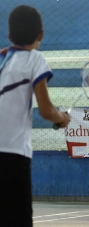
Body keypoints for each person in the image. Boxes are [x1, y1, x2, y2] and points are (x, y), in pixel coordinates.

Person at [0, 5, 70, 227]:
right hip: (13, 154)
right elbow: (46, 110)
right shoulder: (35, 59)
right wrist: (62, 118)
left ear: (9, 36)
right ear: (41, 35)